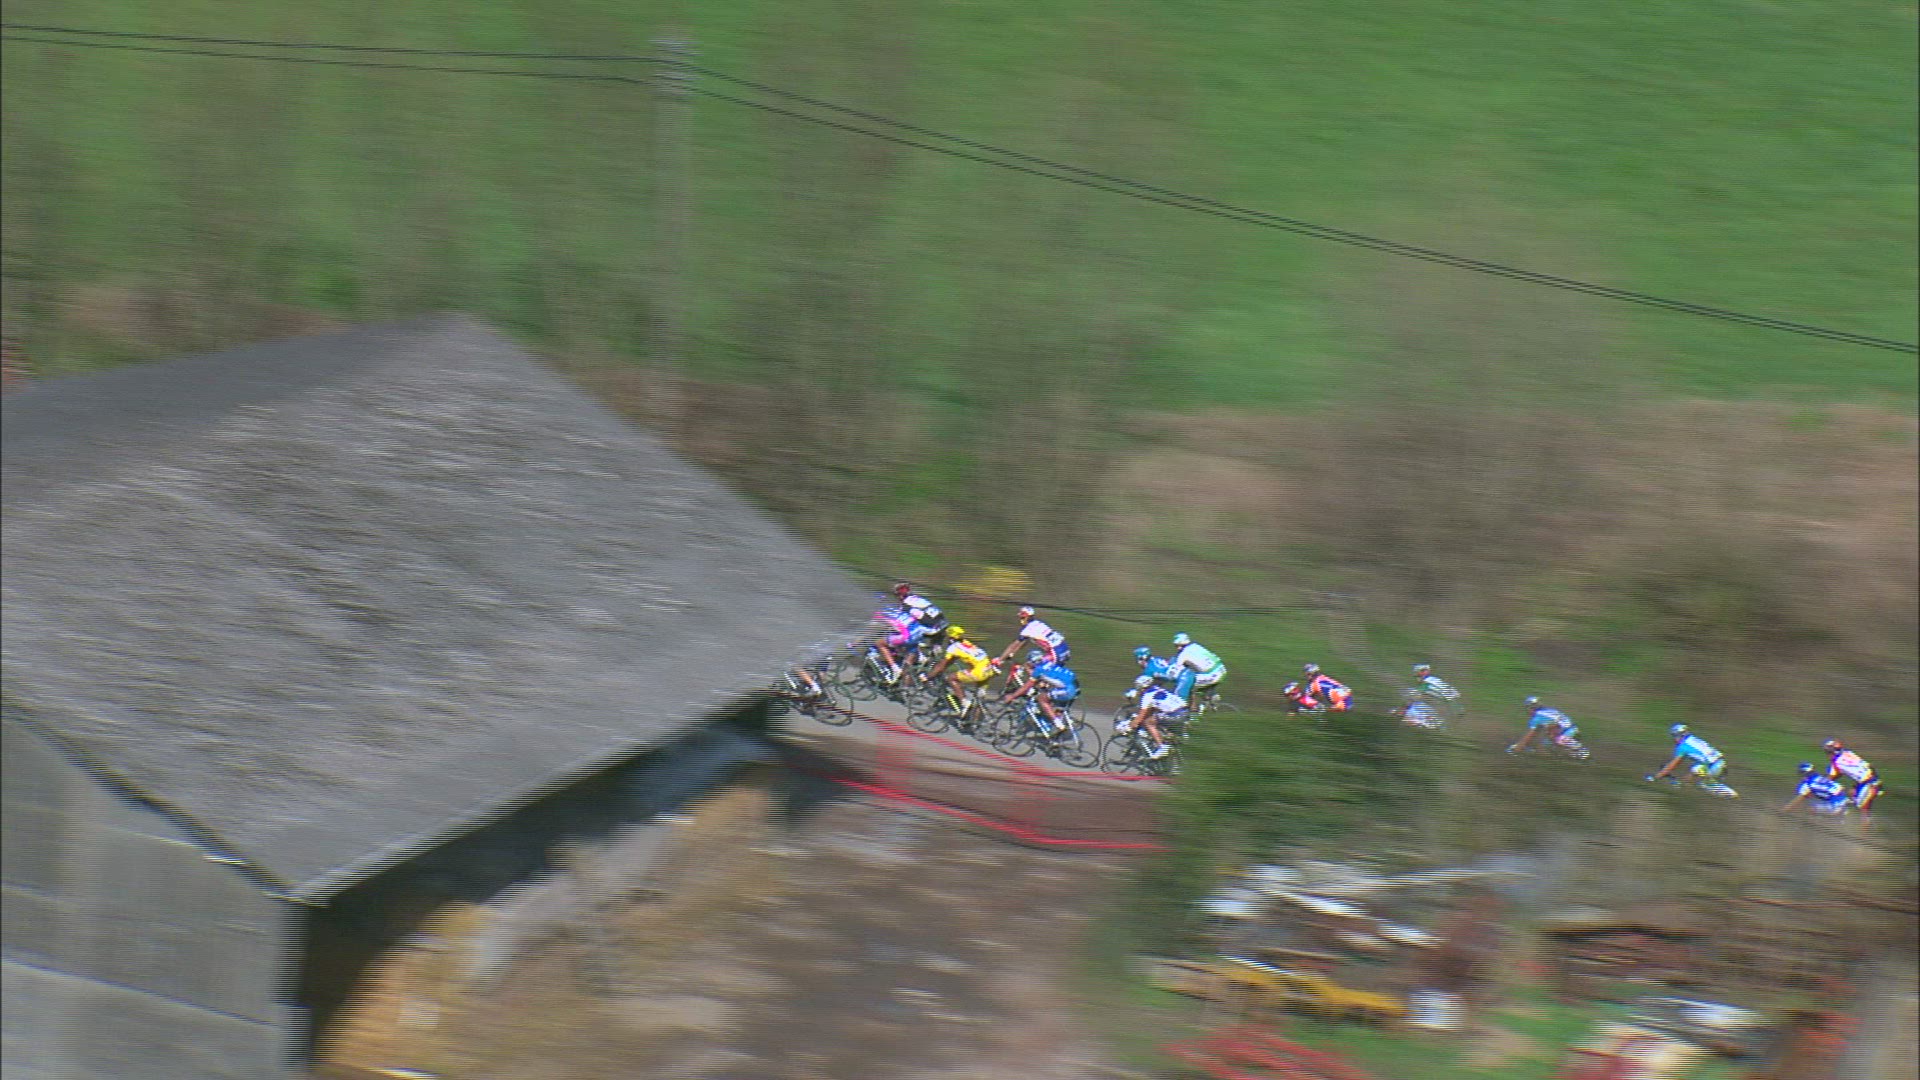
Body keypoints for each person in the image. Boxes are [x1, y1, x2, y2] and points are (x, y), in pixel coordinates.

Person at [1003, 649, 1080, 735]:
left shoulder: (1038, 670)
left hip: (1067, 690)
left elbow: (1026, 687)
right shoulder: (1049, 663)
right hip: (1075, 686)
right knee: (1056, 707)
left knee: (1041, 699)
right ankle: (1057, 732)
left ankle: (1059, 725)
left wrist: (1012, 696)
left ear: (1032, 662)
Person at [1647, 724, 1735, 797]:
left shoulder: (1683, 747)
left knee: (1703, 783)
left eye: (1674, 736)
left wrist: (1656, 777)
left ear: (1679, 735)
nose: (1674, 739)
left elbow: (1672, 765)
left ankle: (1730, 796)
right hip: (1721, 763)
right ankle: (1684, 787)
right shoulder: (1693, 739)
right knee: (1694, 771)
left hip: (1714, 766)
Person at [924, 624, 998, 707]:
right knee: (978, 700)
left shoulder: (953, 648)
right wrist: (944, 666)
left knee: (951, 678)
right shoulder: (966, 643)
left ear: (950, 637)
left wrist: (928, 677)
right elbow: (951, 660)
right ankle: (976, 709)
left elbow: (941, 666)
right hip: (989, 669)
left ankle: (964, 702)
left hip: (979, 672)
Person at [1119, 674, 1187, 759]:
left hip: (1175, 714)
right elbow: (1151, 710)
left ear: (1141, 687)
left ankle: (1162, 747)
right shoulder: (1157, 689)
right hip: (1184, 711)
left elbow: (1141, 716)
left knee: (1148, 722)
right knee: (1156, 720)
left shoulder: (1147, 696)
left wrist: (1129, 726)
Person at [1822, 739, 1882, 822]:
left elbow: (1830, 778)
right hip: (1871, 777)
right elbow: (1866, 766)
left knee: (1863, 809)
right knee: (1851, 795)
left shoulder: (1836, 762)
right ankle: (1848, 814)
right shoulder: (1848, 752)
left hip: (1868, 783)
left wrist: (1821, 782)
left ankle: (1863, 828)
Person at [1507, 697, 1588, 758]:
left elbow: (1530, 736)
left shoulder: (1537, 718)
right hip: (1573, 730)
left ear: (1530, 708)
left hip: (1568, 733)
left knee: (1558, 740)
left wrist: (1517, 748)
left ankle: (1581, 751)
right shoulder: (1548, 711)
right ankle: (1565, 754)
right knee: (1547, 744)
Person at [995, 606, 1071, 666]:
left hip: (1055, 653)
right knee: (1040, 670)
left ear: (1026, 617)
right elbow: (1024, 642)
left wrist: (1000, 660)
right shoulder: (1038, 623)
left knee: (1029, 666)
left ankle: (1036, 681)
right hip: (1065, 649)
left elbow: (1013, 646)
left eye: (1022, 617)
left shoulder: (1028, 629)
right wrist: (1012, 654)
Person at [1167, 633, 1227, 701]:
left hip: (1212, 675)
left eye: (1177, 645)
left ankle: (1193, 707)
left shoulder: (1183, 655)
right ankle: (1210, 696)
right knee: (1196, 680)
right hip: (1221, 669)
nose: (1178, 648)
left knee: (1188, 684)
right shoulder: (1196, 646)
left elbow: (1175, 670)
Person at [1781, 762, 1852, 817]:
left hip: (1834, 807)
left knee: (1809, 809)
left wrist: (1784, 811)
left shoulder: (1807, 784)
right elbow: (1841, 787)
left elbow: (1797, 801)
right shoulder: (1821, 778)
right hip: (1845, 800)